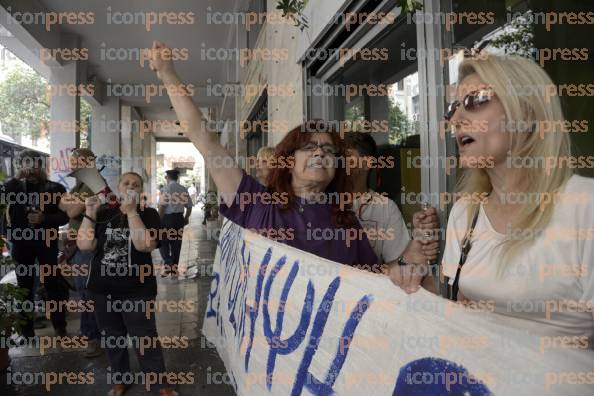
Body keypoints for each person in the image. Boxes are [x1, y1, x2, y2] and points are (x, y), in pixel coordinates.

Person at [150, 41, 386, 269]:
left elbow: (374, 280)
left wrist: (409, 262)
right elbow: (205, 139)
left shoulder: (347, 221)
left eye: (328, 149)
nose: (319, 153)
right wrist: (168, 73)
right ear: (288, 161)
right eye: (308, 147)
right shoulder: (256, 203)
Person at [423, 53, 594, 348]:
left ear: (526, 113)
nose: (455, 119)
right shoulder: (464, 212)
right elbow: (458, 313)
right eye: (452, 108)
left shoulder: (585, 205)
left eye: (476, 101)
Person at [77, 172, 178, 396]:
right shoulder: (103, 213)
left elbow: (145, 245)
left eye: (136, 184)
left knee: (145, 338)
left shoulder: (148, 214)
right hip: (101, 290)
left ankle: (159, 384)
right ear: (118, 187)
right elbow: (85, 245)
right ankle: (120, 380)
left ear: (141, 191)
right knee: (112, 337)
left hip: (137, 291)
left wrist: (132, 212)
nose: (130, 186)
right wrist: (90, 213)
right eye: (126, 183)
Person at [344, 133, 440, 293]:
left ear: (368, 163)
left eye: (347, 157)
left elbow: (402, 266)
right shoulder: (323, 202)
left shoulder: (385, 208)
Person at [2, 150, 69, 341]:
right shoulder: (12, 187)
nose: (30, 168)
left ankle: (60, 326)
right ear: (20, 166)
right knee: (24, 286)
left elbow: (65, 215)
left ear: (41, 166)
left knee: (52, 284)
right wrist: (16, 178)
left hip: (46, 242)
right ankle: (26, 331)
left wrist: (45, 218)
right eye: (26, 164)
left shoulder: (55, 188)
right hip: (21, 243)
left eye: (34, 164)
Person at [58, 148, 102, 357]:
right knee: (84, 291)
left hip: (85, 245)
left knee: (87, 292)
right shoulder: (82, 184)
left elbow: (72, 210)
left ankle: (93, 337)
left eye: (76, 161)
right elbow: (62, 205)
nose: (72, 165)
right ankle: (89, 333)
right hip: (77, 245)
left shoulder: (92, 182)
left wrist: (71, 204)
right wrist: (70, 204)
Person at [158, 169, 192, 277]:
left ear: (167, 178)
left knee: (163, 242)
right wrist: (186, 218)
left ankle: (168, 264)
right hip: (179, 219)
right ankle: (173, 268)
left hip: (167, 219)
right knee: (177, 244)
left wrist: (158, 221)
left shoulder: (165, 189)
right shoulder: (183, 189)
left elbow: (162, 207)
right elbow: (189, 206)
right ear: (177, 178)